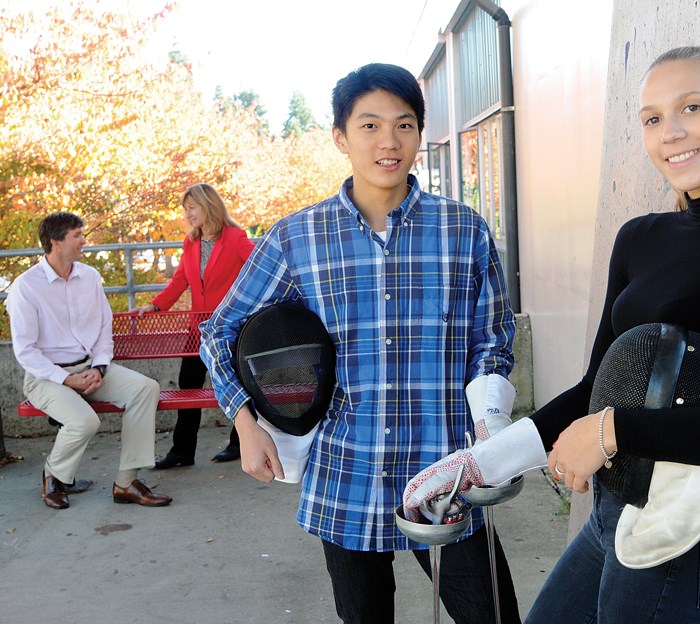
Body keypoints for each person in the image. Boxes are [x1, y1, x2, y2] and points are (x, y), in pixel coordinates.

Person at [404, 46, 700, 623]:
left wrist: (612, 430)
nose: (671, 132)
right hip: (611, 512)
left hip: (685, 531)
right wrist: (482, 464)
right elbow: (592, 389)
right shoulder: (639, 238)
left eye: (693, 107)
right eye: (653, 118)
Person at [200, 63, 522, 623]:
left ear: (421, 133)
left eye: (403, 124)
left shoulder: (463, 230)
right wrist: (245, 423)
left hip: (447, 475)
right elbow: (220, 330)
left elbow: (491, 339)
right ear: (340, 137)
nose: (388, 142)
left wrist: (489, 423)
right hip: (346, 474)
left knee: (493, 616)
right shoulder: (298, 237)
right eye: (369, 126)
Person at [7, 212, 173, 509]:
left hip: (90, 368)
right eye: (77, 236)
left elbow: (102, 329)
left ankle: (126, 482)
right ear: (56, 242)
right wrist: (66, 378)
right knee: (84, 421)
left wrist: (98, 366)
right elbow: (26, 350)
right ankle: (54, 476)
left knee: (145, 388)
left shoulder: (90, 277)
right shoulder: (25, 287)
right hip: (46, 377)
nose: (84, 240)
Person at [131, 183, 255, 468]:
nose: (187, 214)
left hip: (230, 329)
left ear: (207, 206)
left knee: (236, 386)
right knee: (188, 387)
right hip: (196, 330)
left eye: (191, 208)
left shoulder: (236, 238)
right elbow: (180, 281)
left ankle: (240, 444)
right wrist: (155, 305)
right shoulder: (191, 242)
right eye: (185, 209)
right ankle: (182, 452)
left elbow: (258, 271)